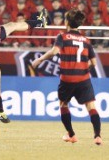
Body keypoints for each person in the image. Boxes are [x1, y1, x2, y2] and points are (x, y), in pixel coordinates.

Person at [31, 9, 102, 146]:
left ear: (67, 22)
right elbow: (93, 62)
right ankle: (97, 136)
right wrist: (81, 68)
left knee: (63, 104)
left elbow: (54, 52)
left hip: (67, 79)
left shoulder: (62, 37)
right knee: (91, 106)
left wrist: (39, 60)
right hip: (83, 79)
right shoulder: (86, 40)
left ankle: (72, 135)